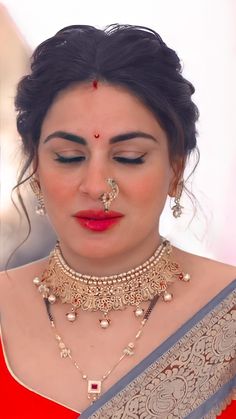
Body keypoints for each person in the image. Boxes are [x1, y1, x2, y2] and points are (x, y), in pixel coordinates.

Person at [0, 24, 235, 419]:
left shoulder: (227, 313)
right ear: (36, 168)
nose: (96, 187)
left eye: (128, 157)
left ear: (175, 169)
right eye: (68, 157)